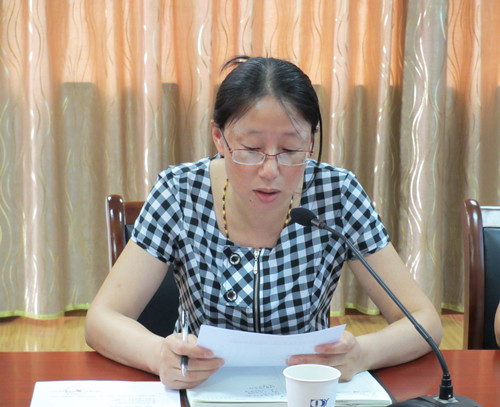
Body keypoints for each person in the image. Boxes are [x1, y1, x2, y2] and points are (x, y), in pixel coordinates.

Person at [85, 56, 442, 390]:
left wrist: (363, 354)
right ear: (219, 138)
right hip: (200, 388)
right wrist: (158, 355)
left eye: (290, 150)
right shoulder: (180, 191)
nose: (270, 170)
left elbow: (423, 319)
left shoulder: (338, 194)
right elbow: (102, 319)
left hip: (305, 391)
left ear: (311, 141)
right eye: (251, 149)